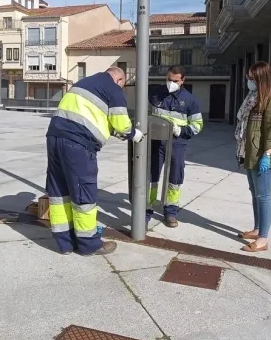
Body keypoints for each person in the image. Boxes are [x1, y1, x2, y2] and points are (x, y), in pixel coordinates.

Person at [46, 67, 144, 256]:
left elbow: (93, 117)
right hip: (78, 144)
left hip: (54, 137)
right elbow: (121, 125)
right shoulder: (113, 89)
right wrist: (134, 134)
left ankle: (65, 244)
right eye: (123, 85)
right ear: (119, 80)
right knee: (84, 193)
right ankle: (89, 244)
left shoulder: (83, 83)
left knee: (59, 191)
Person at [148, 65, 203, 228]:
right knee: (151, 176)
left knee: (174, 178)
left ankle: (170, 211)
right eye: (168, 79)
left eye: (175, 81)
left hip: (177, 142)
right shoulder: (155, 93)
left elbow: (197, 125)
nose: (171, 83)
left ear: (183, 80)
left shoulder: (190, 100)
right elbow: (146, 114)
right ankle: (147, 208)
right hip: (156, 141)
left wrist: (181, 131)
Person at [235, 61, 271, 253]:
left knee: (263, 196)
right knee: (255, 193)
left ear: (262, 79)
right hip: (249, 153)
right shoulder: (252, 99)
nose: (249, 81)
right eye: (248, 77)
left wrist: (267, 154)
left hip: (262, 155)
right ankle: (257, 229)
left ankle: (263, 239)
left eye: (252, 78)